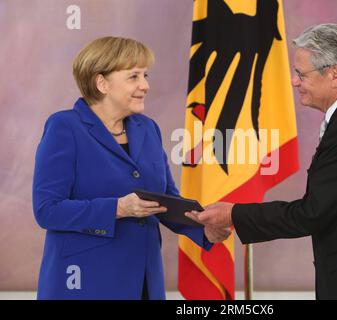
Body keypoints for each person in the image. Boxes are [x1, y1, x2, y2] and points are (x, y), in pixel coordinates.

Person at [186, 24, 337, 300]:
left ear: (335, 74)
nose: (294, 81)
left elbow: (312, 213)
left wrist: (233, 214)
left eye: (301, 74)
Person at [32, 36, 230, 300]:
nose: (145, 85)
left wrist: (202, 228)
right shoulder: (64, 127)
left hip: (145, 281)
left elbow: (165, 200)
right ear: (101, 82)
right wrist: (118, 208)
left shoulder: (147, 128)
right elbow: (47, 210)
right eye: (134, 76)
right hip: (85, 283)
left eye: (145, 75)